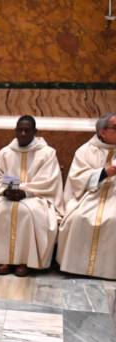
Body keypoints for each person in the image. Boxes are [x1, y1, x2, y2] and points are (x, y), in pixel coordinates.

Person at [0, 115, 64, 276]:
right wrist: (5, 190)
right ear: (15, 131)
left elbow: (49, 181)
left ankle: (24, 261)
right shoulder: (6, 152)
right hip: (9, 196)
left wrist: (25, 191)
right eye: (20, 130)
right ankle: (3, 259)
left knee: (27, 212)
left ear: (35, 132)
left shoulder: (47, 153)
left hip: (36, 197)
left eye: (27, 130)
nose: (23, 133)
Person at [57, 112, 116, 279]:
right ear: (102, 131)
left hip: (114, 196)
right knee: (79, 218)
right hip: (90, 196)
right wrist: (104, 173)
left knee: (113, 219)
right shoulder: (86, 150)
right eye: (115, 128)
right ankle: (75, 266)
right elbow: (76, 179)